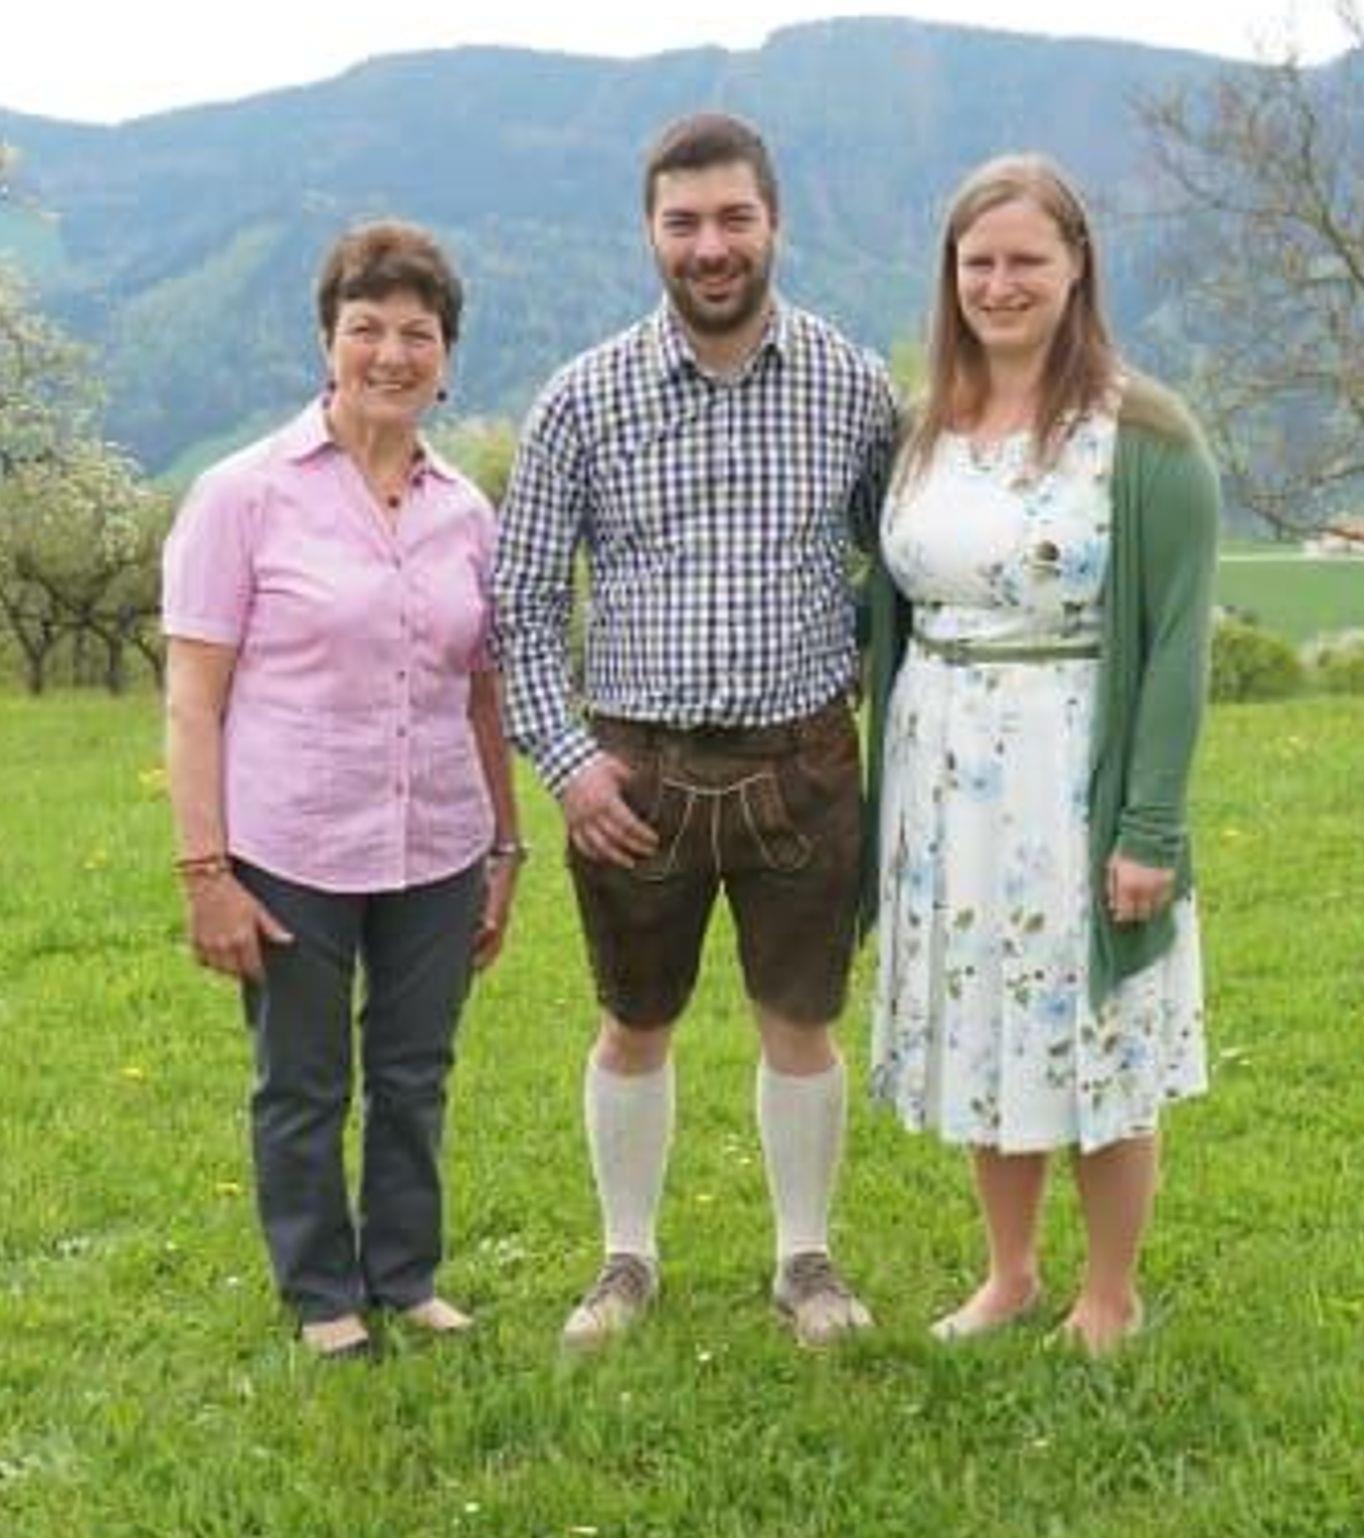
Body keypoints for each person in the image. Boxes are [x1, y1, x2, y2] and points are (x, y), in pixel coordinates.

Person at [493, 113, 897, 1349]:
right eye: (683, 223)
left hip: (803, 762)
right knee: (633, 1020)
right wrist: (567, 766)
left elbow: (904, 561)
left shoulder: (852, 385)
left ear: (774, 221)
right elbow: (518, 603)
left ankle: (802, 1257)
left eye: (732, 218)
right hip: (633, 774)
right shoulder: (582, 396)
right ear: (649, 233)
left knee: (801, 1021)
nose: (709, 246)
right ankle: (626, 1257)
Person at [865, 154, 1218, 1356]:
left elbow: (1174, 646)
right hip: (941, 776)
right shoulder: (926, 427)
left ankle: (1108, 1292)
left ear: (1077, 267)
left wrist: (1147, 827)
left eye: (1026, 258)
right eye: (978, 261)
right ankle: (1008, 1272)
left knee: (1095, 1030)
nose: (999, 283)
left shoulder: (1144, 434)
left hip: (1072, 773)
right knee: (986, 1020)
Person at [161, 221, 522, 1360]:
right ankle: (322, 1293)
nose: (391, 354)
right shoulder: (242, 495)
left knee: (415, 1076)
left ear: (446, 357)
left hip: (438, 842)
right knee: (303, 1083)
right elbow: (192, 701)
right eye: (367, 327)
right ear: (327, 340)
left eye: (418, 333)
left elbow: (482, 695)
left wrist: (505, 851)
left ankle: (405, 1277)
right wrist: (205, 872)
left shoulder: (467, 511)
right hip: (292, 847)